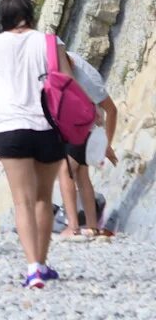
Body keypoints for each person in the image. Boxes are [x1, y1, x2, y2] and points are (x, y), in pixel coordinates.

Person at [0, 0, 71, 288]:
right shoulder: (49, 41)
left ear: (2, 18)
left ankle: (31, 270)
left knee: (22, 201)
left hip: (11, 128)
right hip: (48, 126)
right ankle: (42, 264)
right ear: (30, 14)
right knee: (44, 198)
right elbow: (67, 78)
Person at [57, 48, 118, 237]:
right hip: (76, 126)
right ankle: (92, 226)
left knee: (66, 170)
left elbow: (112, 110)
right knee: (82, 175)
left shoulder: (88, 81)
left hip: (87, 129)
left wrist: (106, 145)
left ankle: (73, 227)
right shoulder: (62, 62)